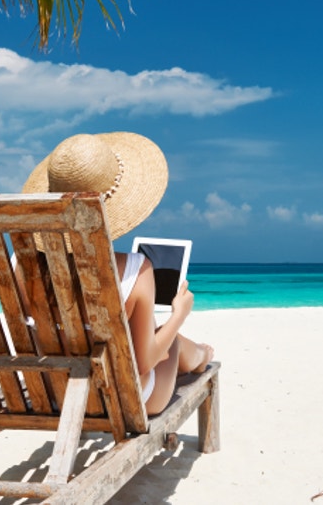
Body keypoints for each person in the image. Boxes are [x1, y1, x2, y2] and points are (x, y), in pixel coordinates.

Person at [22, 132, 214, 415]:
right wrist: (179, 314)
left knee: (164, 337)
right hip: (124, 400)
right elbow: (143, 361)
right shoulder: (137, 270)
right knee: (170, 339)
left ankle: (200, 354)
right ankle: (202, 356)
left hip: (54, 394)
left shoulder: (20, 265)